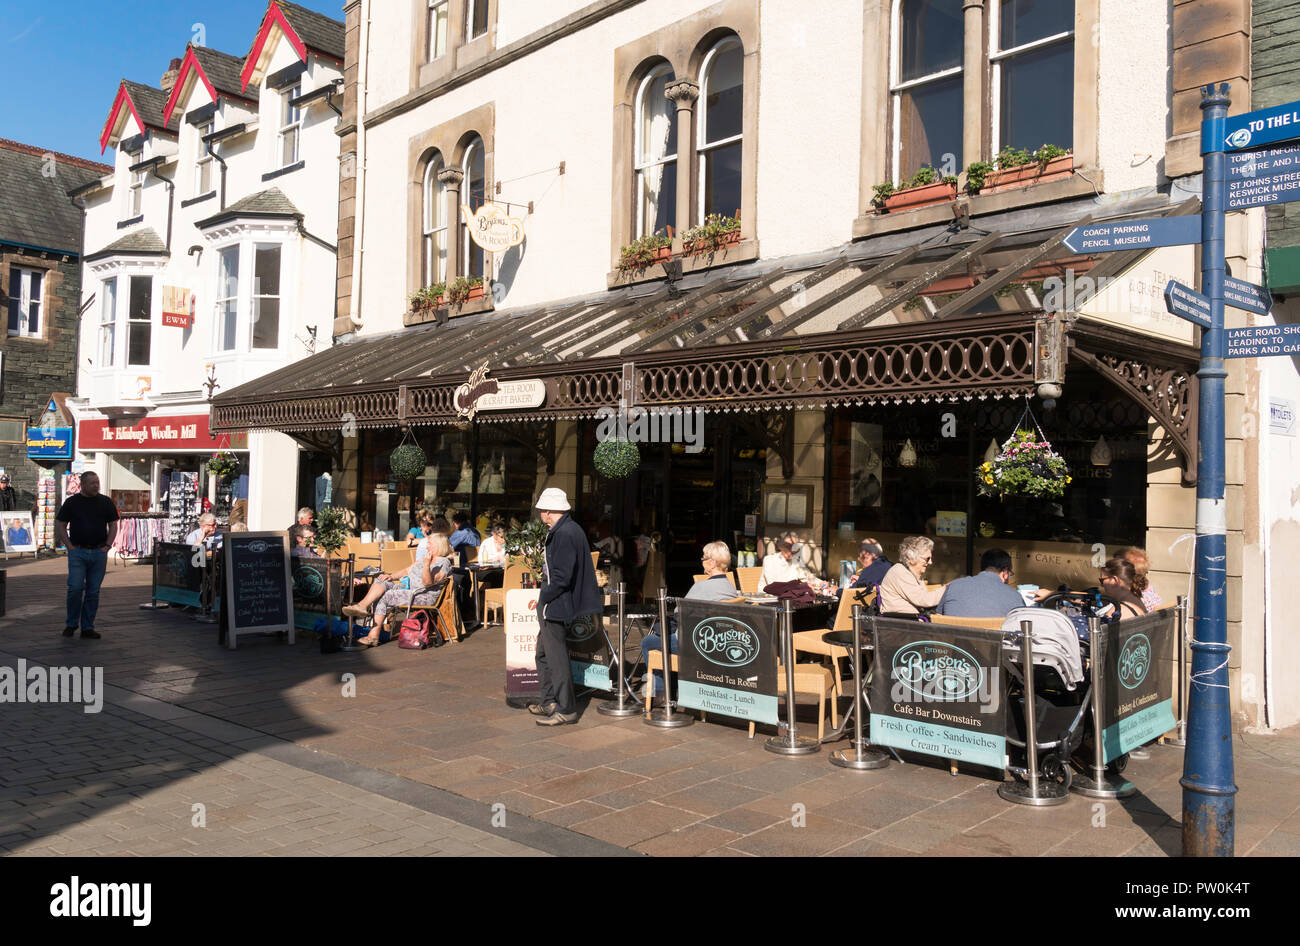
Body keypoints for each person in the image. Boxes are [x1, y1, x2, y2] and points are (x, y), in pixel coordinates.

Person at [530, 488, 601, 726]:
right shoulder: (570, 529)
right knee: (543, 653)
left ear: (548, 511)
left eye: (542, 510)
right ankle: (550, 700)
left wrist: (543, 597)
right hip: (557, 602)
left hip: (555, 604)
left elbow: (561, 577)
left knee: (556, 657)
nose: (540, 514)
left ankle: (565, 708)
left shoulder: (563, 533)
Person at [641, 541, 738, 697]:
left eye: (704, 558)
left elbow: (679, 613)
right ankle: (670, 688)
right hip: (716, 646)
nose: (702, 561)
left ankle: (661, 692)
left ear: (712, 563)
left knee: (648, 642)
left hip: (693, 644)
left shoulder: (700, 587)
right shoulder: (731, 589)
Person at [349, 534, 455, 646]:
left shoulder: (444, 562)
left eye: (430, 543)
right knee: (381, 581)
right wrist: (391, 576)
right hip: (410, 590)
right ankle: (362, 606)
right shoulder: (425, 558)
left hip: (423, 596)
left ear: (438, 546)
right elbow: (406, 571)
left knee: (386, 596)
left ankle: (373, 635)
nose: (426, 546)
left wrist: (426, 565)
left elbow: (427, 583)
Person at [54, 472, 119, 639]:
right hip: (78, 551)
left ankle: (87, 627)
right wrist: (69, 547)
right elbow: (61, 525)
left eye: (97, 482)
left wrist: (107, 546)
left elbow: (113, 524)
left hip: (99, 552)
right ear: (82, 485)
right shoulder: (72, 502)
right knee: (75, 588)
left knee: (93, 591)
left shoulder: (105, 501)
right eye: (92, 483)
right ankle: (71, 623)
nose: (96, 486)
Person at [935, 548, 1025, 617]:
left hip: (950, 641)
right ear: (1005, 572)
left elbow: (938, 616)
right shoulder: (1014, 597)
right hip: (993, 641)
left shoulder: (954, 586)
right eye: (1010, 573)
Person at [878, 535, 946, 615]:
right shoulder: (900, 572)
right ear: (912, 557)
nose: (930, 562)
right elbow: (924, 600)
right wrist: (949, 589)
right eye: (927, 559)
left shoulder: (913, 573)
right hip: (902, 621)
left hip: (911, 619)